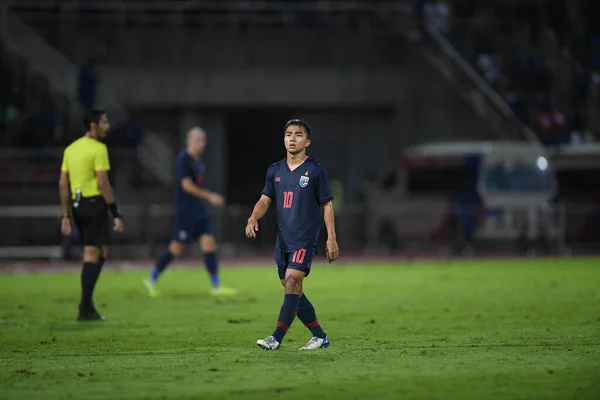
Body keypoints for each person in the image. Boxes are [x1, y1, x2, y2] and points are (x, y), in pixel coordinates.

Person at [245, 119, 339, 351]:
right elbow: (265, 199)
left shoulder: (315, 170)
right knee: (293, 289)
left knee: (292, 280)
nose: (292, 138)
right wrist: (253, 217)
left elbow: (327, 205)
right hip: (283, 241)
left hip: (304, 239)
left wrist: (331, 238)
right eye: (288, 134)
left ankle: (275, 338)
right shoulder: (275, 170)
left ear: (307, 141)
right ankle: (320, 336)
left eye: (298, 134)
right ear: (284, 139)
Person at [143, 127, 236, 297]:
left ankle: (216, 285)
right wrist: (210, 196)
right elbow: (186, 186)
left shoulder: (198, 161)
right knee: (176, 248)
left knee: (209, 244)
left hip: (199, 210)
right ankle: (151, 279)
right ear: (188, 141)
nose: (201, 143)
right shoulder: (183, 159)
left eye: (203, 139)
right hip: (186, 211)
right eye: (197, 139)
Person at [59, 109, 124, 321]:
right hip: (94, 203)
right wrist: (115, 212)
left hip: (78, 205)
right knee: (92, 255)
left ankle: (87, 305)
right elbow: (102, 182)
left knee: (102, 250)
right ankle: (84, 307)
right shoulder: (98, 148)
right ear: (93, 126)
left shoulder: (71, 149)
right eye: (104, 122)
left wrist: (65, 215)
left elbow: (62, 183)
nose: (108, 126)